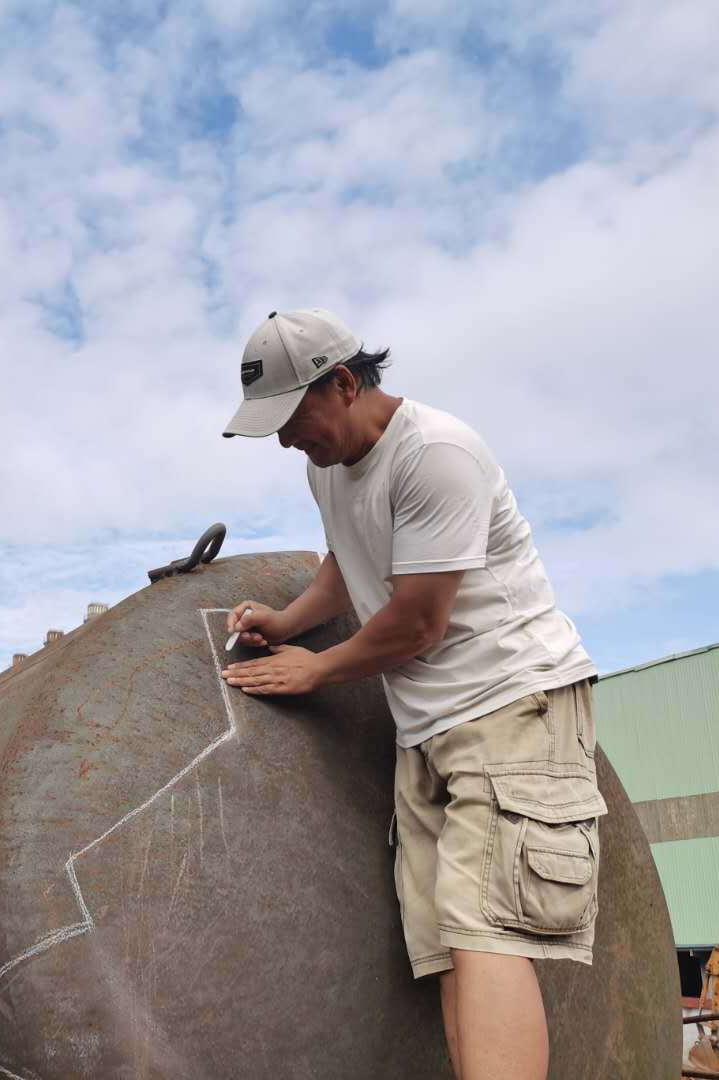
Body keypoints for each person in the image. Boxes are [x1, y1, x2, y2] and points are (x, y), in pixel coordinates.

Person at [219, 309, 603, 1080]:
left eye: (293, 417)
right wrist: (289, 621)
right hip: (427, 726)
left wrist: (317, 670)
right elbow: (349, 557)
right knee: (447, 946)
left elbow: (421, 621)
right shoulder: (325, 466)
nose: (288, 440)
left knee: (485, 931)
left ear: (344, 383)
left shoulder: (437, 454)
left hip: (510, 704)